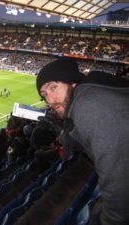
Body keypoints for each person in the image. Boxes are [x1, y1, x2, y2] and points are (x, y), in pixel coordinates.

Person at [35, 58, 129, 225]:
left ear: (72, 82)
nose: (50, 100)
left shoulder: (89, 106)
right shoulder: (87, 96)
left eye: (53, 87)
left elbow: (120, 188)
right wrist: (65, 133)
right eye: (44, 94)